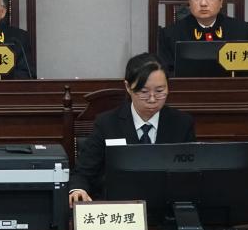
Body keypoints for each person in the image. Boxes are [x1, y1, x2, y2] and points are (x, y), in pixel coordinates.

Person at [67, 53, 195, 205]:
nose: (152, 98)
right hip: (119, 208)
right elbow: (82, 173)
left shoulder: (181, 123)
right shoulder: (107, 123)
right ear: (128, 87)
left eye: (160, 91)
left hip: (166, 210)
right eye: (144, 92)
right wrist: (78, 190)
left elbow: (191, 174)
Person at [157, 0, 248, 76]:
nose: (203, 3)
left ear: (221, 1)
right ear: (189, 1)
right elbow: (166, 75)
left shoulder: (242, 30)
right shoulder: (169, 34)